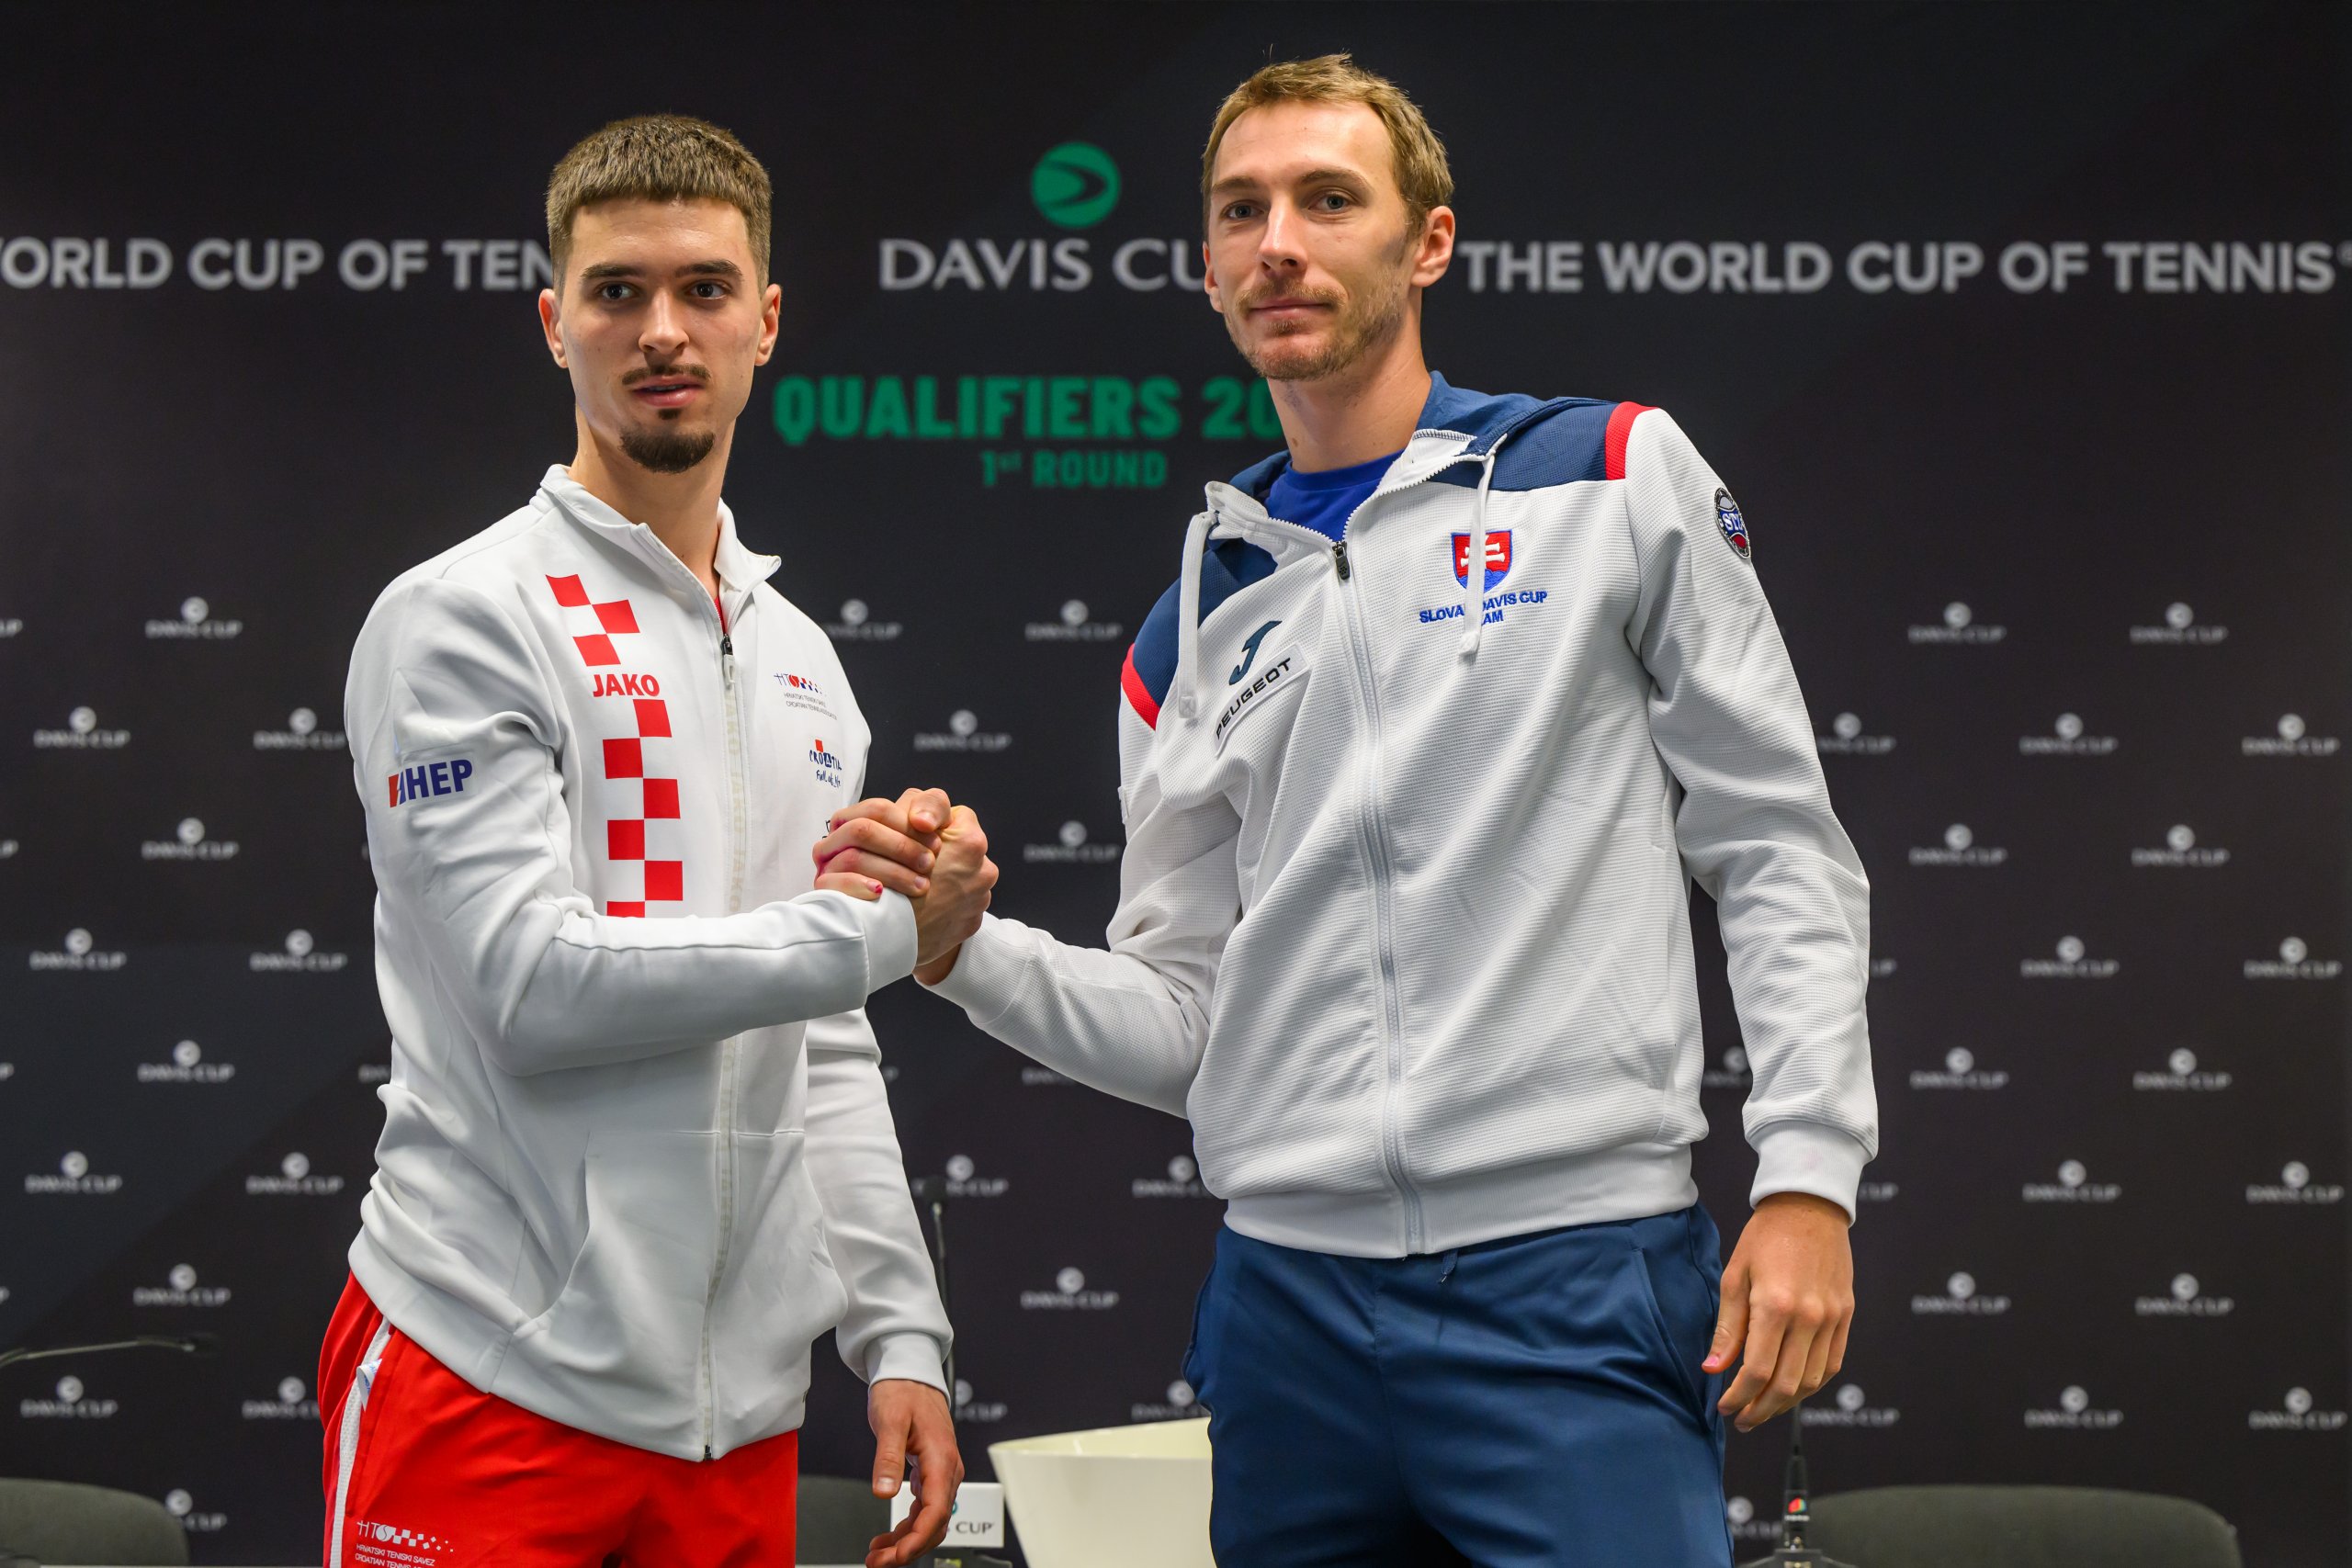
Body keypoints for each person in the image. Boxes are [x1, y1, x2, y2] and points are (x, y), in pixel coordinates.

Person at [822, 55, 1877, 1565]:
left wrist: (1809, 1178)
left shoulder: (1609, 477)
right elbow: (1185, 1021)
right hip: (1288, 1318)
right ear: (1204, 267)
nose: (1279, 245)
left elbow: (1775, 847)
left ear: (1426, 240)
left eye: (1327, 200)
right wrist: (960, 948)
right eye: (1240, 212)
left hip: (1573, 1279)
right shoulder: (1191, 627)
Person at [319, 115, 991, 1568]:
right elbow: (529, 989)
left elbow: (819, 1040)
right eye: (618, 291)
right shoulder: (462, 616)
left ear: (768, 323)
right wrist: (884, 937)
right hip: (484, 1377)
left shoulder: (804, 660)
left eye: (704, 289)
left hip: (734, 1428)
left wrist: (899, 1332)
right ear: (555, 323)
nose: (663, 331)